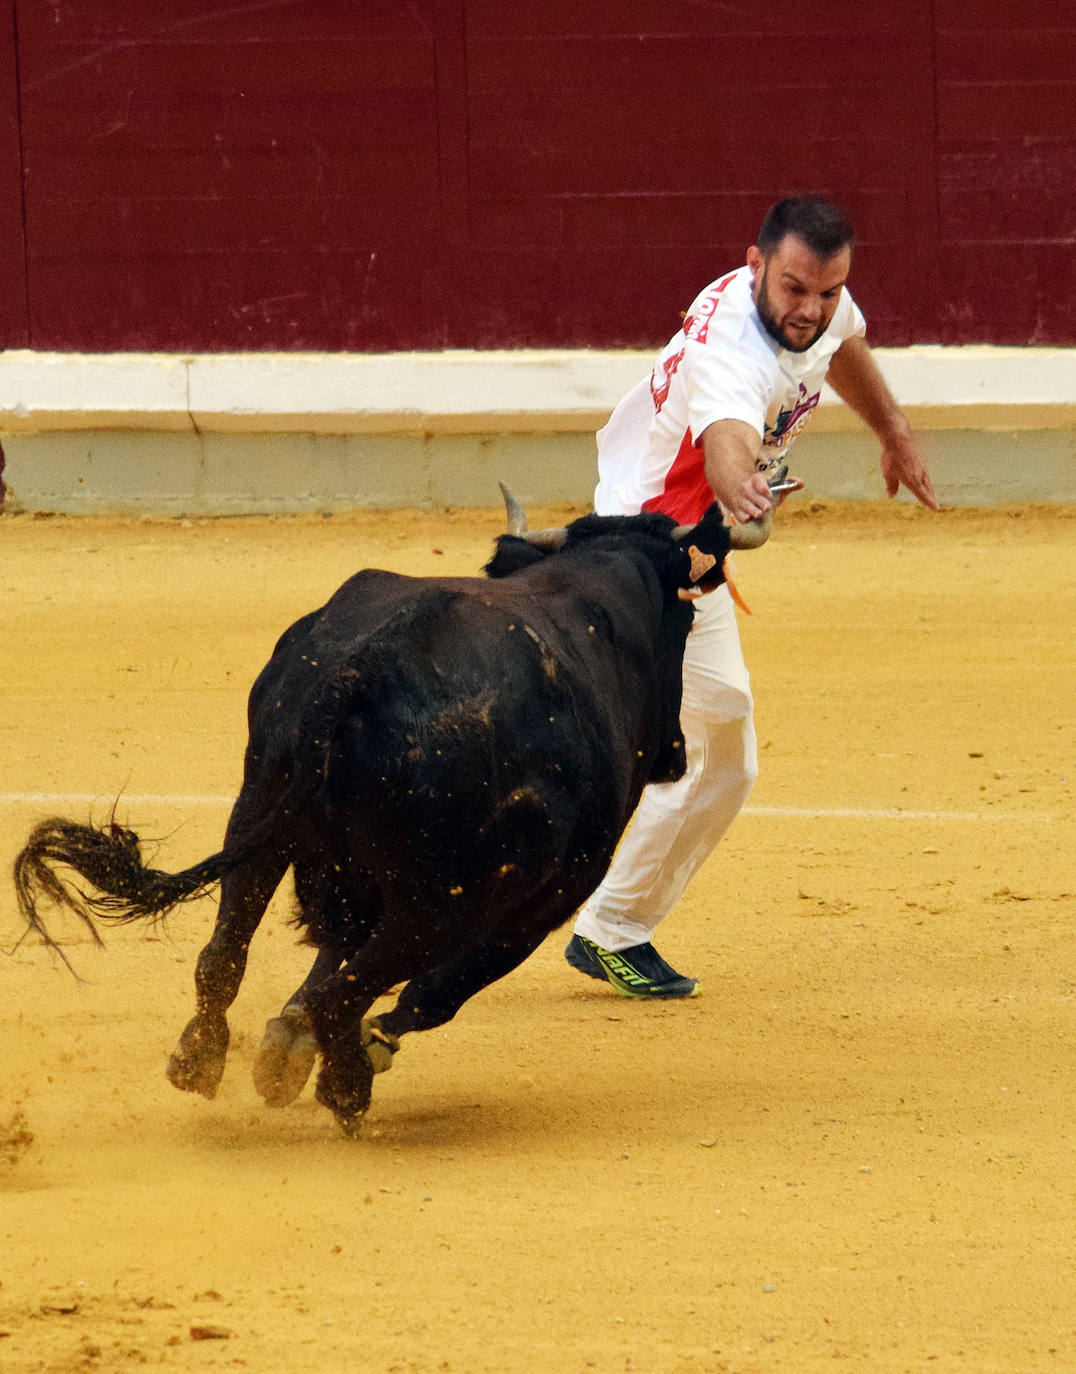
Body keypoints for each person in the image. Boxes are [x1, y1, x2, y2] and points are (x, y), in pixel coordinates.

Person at [564, 194, 938, 999]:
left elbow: (845, 345)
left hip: (692, 550)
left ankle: (611, 923)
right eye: (796, 288)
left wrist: (894, 430)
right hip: (648, 554)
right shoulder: (732, 351)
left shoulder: (815, 306)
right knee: (712, 743)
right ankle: (604, 924)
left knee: (723, 752)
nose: (810, 309)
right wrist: (745, 490)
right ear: (755, 264)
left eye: (827, 290)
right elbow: (727, 435)